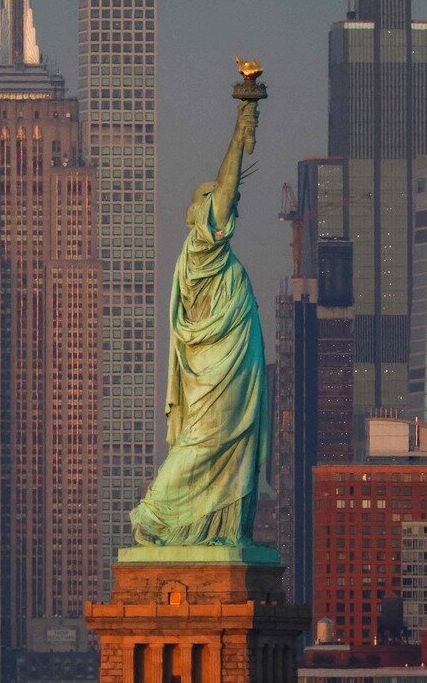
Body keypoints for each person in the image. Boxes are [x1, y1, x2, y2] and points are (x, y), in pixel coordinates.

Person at [130, 96, 267, 547]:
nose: (226, 205)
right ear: (199, 215)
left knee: (232, 446)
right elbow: (226, 190)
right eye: (213, 201)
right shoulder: (201, 250)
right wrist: (239, 127)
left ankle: (224, 529)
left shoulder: (218, 257)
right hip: (214, 370)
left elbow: (228, 192)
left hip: (236, 364)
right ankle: (157, 515)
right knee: (203, 443)